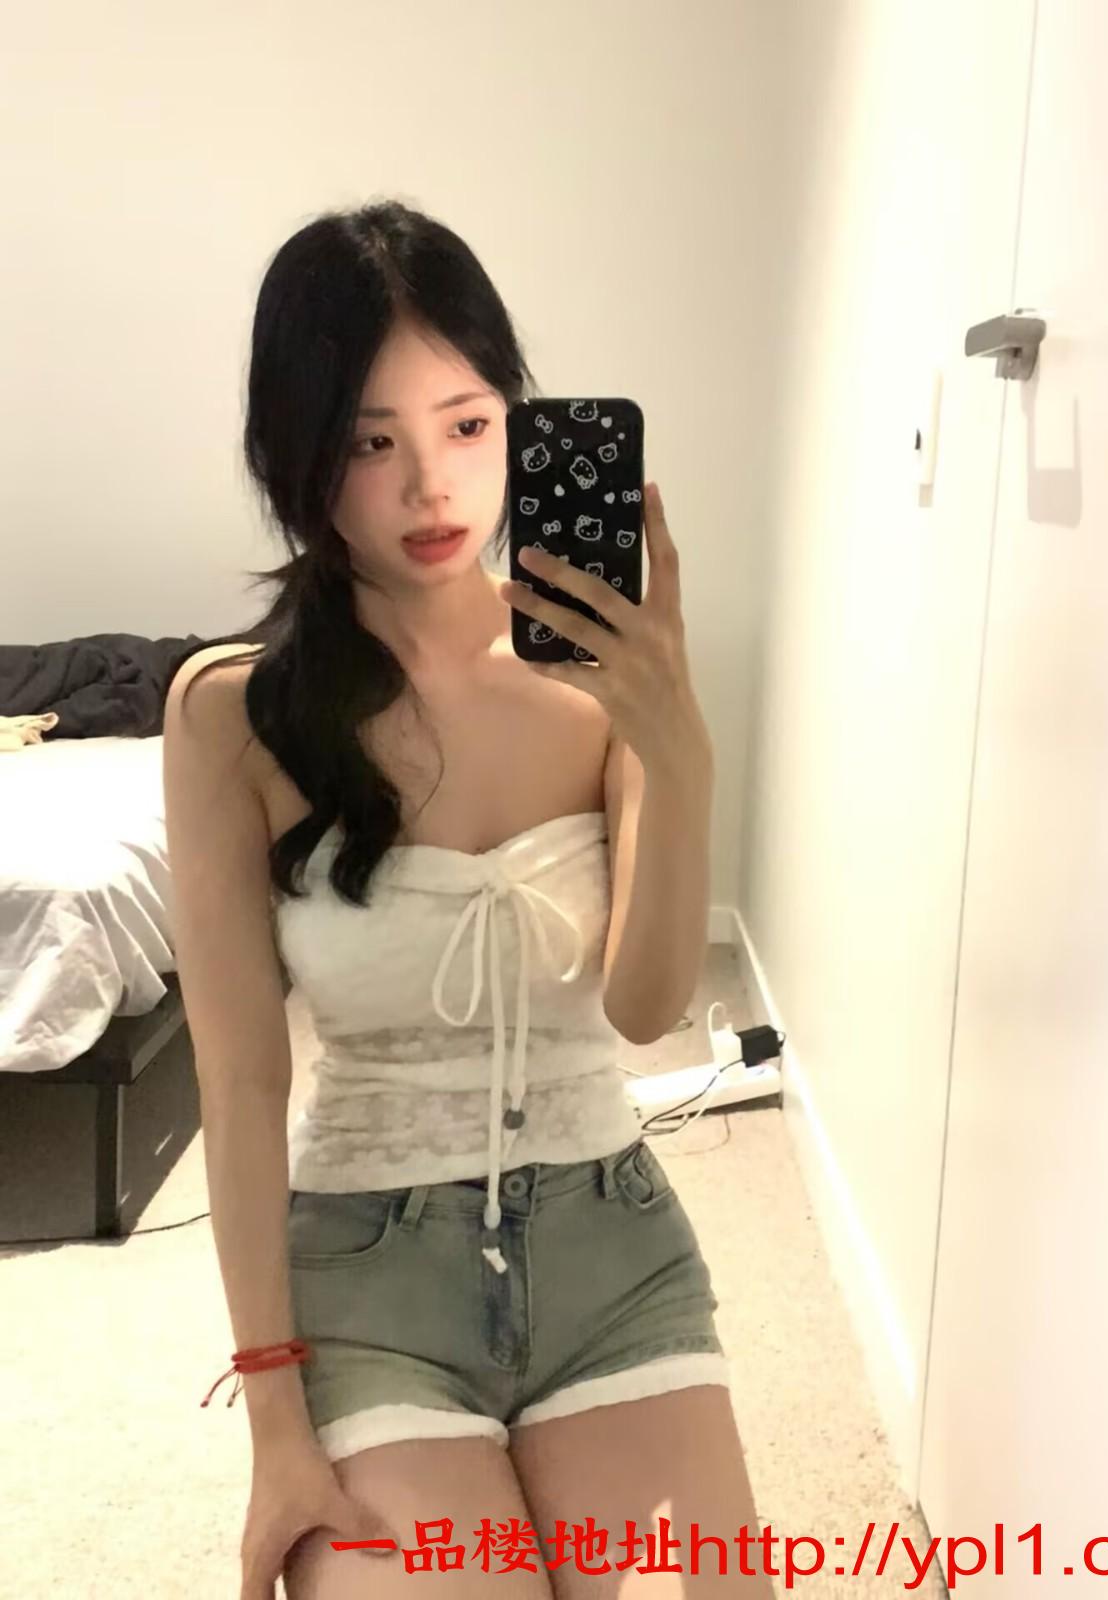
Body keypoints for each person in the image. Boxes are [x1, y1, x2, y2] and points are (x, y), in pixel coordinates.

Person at [164, 198, 770, 1598]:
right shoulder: (231, 718)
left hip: (611, 1246)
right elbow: (242, 1084)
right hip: (367, 1270)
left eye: (467, 423)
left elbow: (646, 1007)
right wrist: (273, 1424)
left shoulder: (608, 677)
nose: (432, 488)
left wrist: (678, 749)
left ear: (516, 419)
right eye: (371, 441)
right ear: (296, 453)